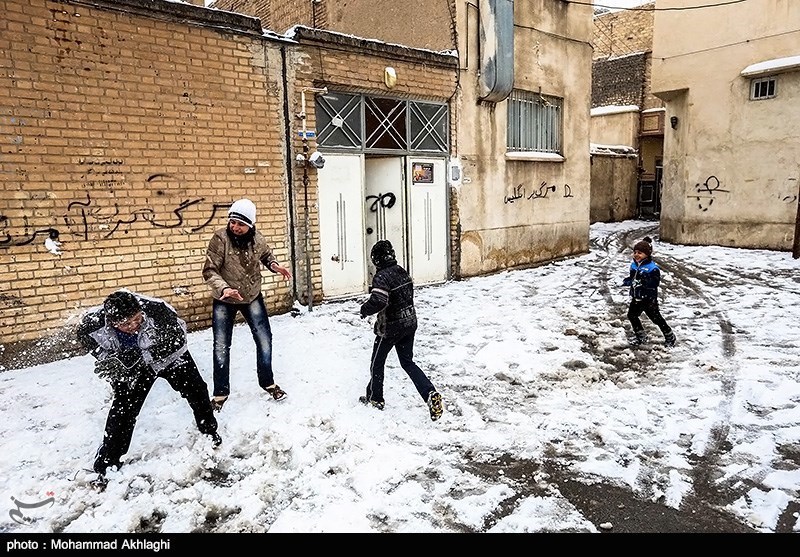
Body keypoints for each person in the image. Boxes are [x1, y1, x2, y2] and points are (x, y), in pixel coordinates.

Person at [76, 289, 221, 489]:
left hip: (170, 359)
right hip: (131, 369)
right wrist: (109, 359)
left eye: (137, 319)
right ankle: (107, 464)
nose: (134, 326)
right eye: (126, 324)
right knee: (123, 410)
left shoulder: (158, 311)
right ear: (112, 322)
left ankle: (209, 432)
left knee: (197, 390)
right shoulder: (93, 323)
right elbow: (86, 339)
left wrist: (138, 357)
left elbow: (178, 340)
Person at [202, 198, 292, 411]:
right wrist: (224, 289)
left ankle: (268, 383)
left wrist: (274, 265)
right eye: (232, 222)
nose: (235, 227)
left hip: (251, 295)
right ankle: (220, 393)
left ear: (250, 225)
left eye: (241, 224)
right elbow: (209, 270)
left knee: (264, 339)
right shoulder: (220, 239)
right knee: (221, 345)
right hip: (225, 298)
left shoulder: (258, 239)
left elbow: (266, 254)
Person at [359, 240, 443, 421]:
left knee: (377, 363)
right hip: (409, 323)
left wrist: (364, 309)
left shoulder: (382, 277)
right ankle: (429, 393)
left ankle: (375, 399)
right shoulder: (401, 271)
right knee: (408, 362)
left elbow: (379, 300)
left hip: (390, 328)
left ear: (377, 259)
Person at [622, 236, 676, 347]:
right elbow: (633, 278)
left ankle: (669, 336)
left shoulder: (652, 268)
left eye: (640, 253)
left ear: (647, 254)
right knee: (632, 315)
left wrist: (643, 282)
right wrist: (628, 281)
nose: (636, 255)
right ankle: (641, 336)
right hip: (636, 297)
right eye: (635, 252)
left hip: (648, 299)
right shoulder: (634, 265)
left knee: (656, 318)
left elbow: (654, 283)